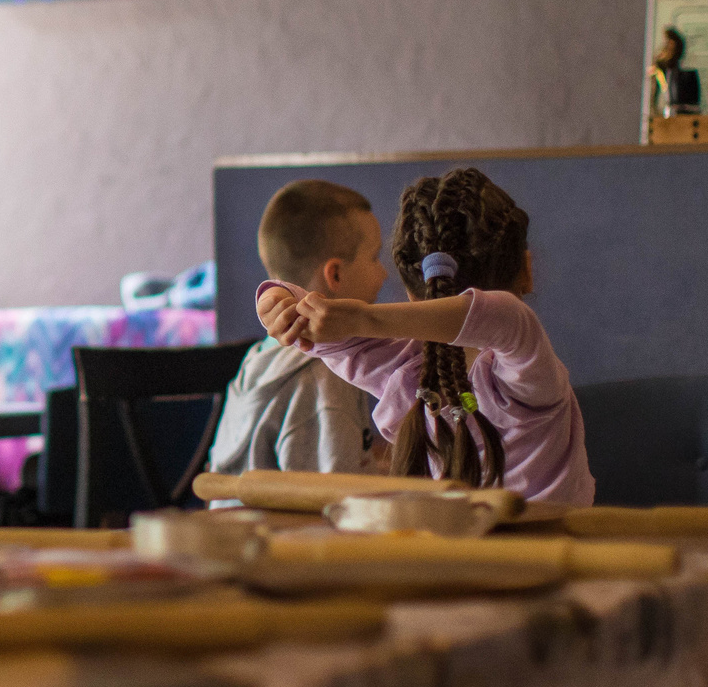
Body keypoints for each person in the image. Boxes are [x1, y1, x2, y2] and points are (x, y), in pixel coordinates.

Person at [258, 166, 594, 505]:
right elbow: (508, 318)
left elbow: (503, 315)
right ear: (527, 270)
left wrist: (276, 298)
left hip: (461, 555)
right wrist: (285, 302)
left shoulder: (402, 373)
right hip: (541, 555)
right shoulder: (530, 373)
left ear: (412, 295)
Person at [205, 179, 390, 482]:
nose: (383, 272)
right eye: (374, 257)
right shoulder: (326, 374)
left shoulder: (259, 355)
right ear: (336, 274)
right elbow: (333, 497)